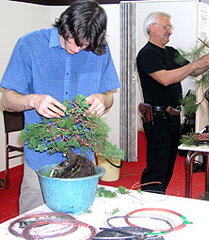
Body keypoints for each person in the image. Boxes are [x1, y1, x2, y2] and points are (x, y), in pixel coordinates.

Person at [0, 0, 120, 213]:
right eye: (72, 41)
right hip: (40, 155)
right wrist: (32, 100)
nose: (76, 49)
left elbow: (109, 96)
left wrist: (103, 99)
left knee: (81, 218)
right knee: (33, 220)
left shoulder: (100, 51)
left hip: (83, 156)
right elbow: (7, 100)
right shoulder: (29, 45)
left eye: (85, 45)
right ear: (63, 26)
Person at [136, 11, 209, 194]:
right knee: (157, 166)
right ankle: (149, 199)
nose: (170, 31)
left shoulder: (171, 52)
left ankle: (159, 197)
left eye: (171, 27)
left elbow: (194, 72)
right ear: (152, 27)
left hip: (173, 116)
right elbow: (165, 79)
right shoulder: (146, 54)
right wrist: (195, 64)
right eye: (166, 27)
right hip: (157, 118)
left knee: (168, 164)